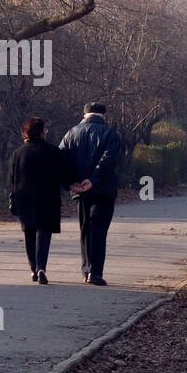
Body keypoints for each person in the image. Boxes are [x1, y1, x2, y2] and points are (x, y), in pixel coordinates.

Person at [59, 101, 122, 286]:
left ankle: (86, 270)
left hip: (79, 190)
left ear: (84, 115)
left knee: (85, 230)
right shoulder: (110, 133)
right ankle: (95, 272)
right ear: (104, 115)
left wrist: (70, 182)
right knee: (99, 231)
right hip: (103, 189)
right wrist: (93, 180)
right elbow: (109, 160)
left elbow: (62, 159)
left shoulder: (71, 133)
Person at [9, 117, 71, 284]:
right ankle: (41, 267)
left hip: (24, 197)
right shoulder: (53, 151)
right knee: (44, 232)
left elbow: (13, 179)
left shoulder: (18, 153)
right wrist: (72, 186)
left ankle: (33, 269)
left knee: (29, 232)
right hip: (48, 197)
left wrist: (13, 198)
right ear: (42, 132)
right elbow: (62, 175)